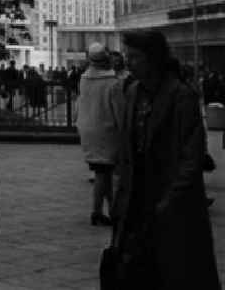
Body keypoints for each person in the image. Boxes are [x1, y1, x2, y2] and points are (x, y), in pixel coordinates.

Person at [110, 30, 220, 289]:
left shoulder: (181, 96)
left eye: (135, 57)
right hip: (135, 203)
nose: (129, 62)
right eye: (127, 56)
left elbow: (191, 158)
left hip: (169, 204)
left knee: (177, 273)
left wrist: (170, 202)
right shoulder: (132, 92)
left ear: (153, 58)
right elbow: (126, 152)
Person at [75, 43, 124, 226]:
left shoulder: (84, 79)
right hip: (108, 131)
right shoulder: (113, 83)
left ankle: (106, 209)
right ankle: (102, 211)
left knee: (102, 172)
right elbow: (118, 111)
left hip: (88, 129)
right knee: (106, 173)